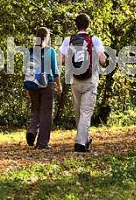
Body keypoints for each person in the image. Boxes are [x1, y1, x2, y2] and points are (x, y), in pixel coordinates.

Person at [60, 13, 107, 152]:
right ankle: (80, 143)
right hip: (90, 79)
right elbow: (103, 60)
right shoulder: (94, 40)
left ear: (76, 25)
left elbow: (61, 61)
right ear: (88, 25)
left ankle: (84, 139)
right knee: (86, 112)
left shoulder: (68, 40)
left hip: (75, 79)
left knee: (78, 112)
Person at [25, 27, 62, 149]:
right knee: (46, 113)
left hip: (32, 84)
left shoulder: (30, 51)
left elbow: (27, 71)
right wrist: (59, 85)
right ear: (47, 37)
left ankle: (31, 131)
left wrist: (26, 88)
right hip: (47, 84)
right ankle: (42, 143)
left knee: (36, 110)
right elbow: (55, 70)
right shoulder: (50, 51)